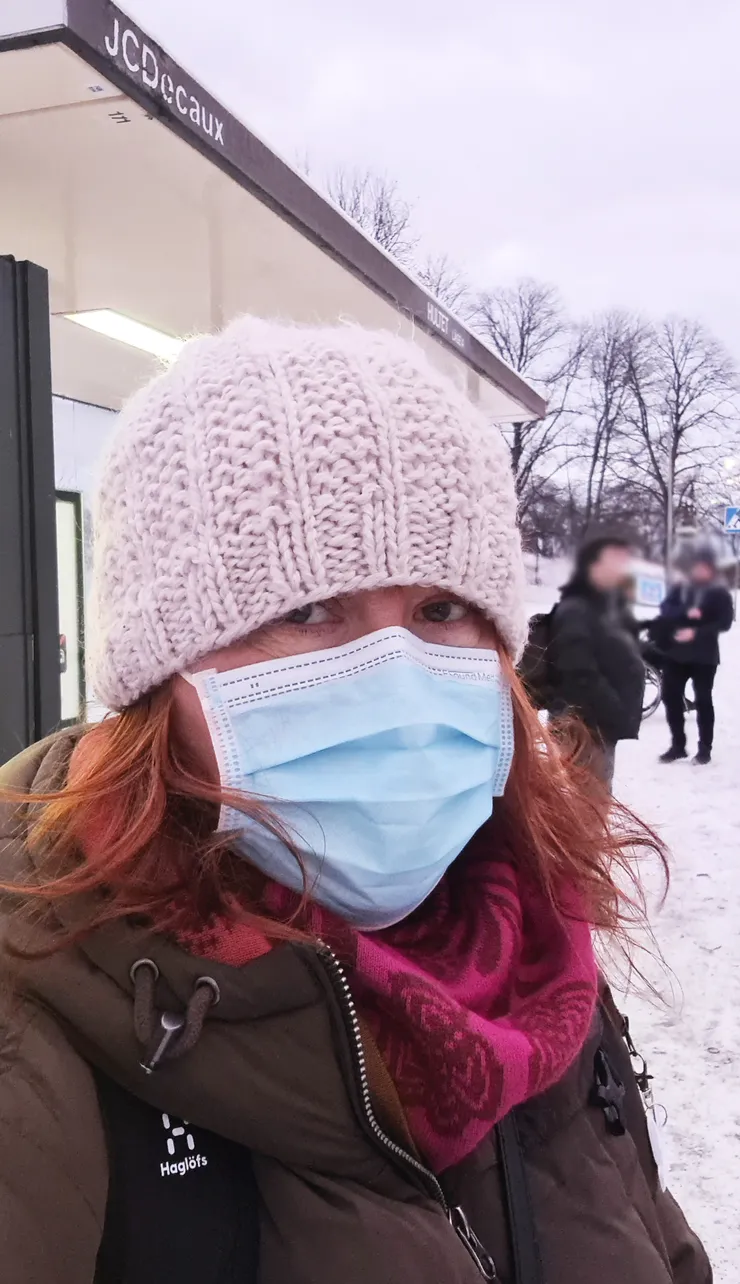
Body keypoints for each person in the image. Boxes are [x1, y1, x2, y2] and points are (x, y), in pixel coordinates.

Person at [0, 319, 709, 1284]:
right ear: (158, 681)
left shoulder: (541, 962)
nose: (398, 673)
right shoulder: (33, 1026)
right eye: (307, 609)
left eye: (439, 610)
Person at [547, 536, 646, 788]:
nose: (622, 571)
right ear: (592, 566)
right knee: (586, 801)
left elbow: (616, 648)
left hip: (598, 725)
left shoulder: (604, 607)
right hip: (582, 725)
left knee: (595, 795)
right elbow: (577, 670)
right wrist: (614, 710)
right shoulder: (576, 609)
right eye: (615, 563)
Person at [657, 546, 733, 765]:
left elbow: (725, 622)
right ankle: (678, 745)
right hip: (677, 653)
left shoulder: (719, 592)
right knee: (670, 696)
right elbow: (665, 609)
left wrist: (697, 631)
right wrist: (684, 613)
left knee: (703, 700)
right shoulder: (682, 587)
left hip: (704, 656)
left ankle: (704, 749)